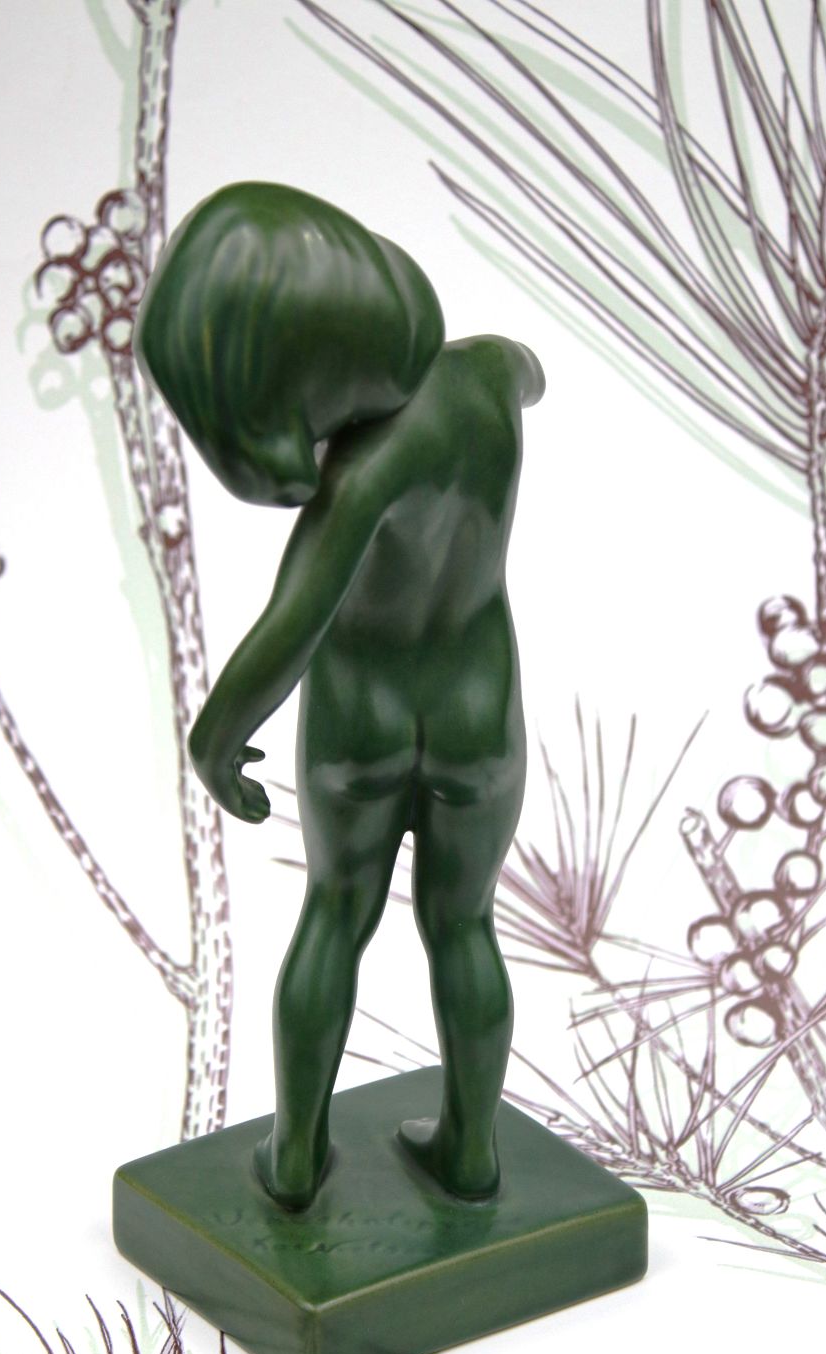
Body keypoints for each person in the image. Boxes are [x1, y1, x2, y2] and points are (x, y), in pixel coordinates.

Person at [135, 182, 545, 1209]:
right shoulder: (487, 377)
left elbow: (294, 624)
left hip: (359, 714)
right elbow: (531, 369)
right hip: (478, 705)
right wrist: (512, 372)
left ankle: (296, 1155)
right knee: (466, 927)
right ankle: (471, 1153)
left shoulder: (354, 480)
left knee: (333, 916)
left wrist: (217, 739)